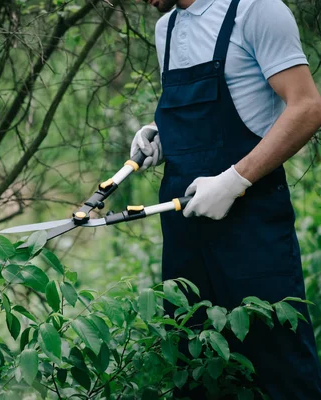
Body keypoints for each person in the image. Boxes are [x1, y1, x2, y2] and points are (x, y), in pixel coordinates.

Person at [130, 0, 321, 397]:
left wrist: (236, 180)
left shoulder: (258, 11)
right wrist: (163, 137)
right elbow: (207, 112)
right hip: (185, 234)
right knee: (195, 368)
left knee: (279, 366)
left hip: (253, 229)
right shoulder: (166, 27)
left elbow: (306, 107)